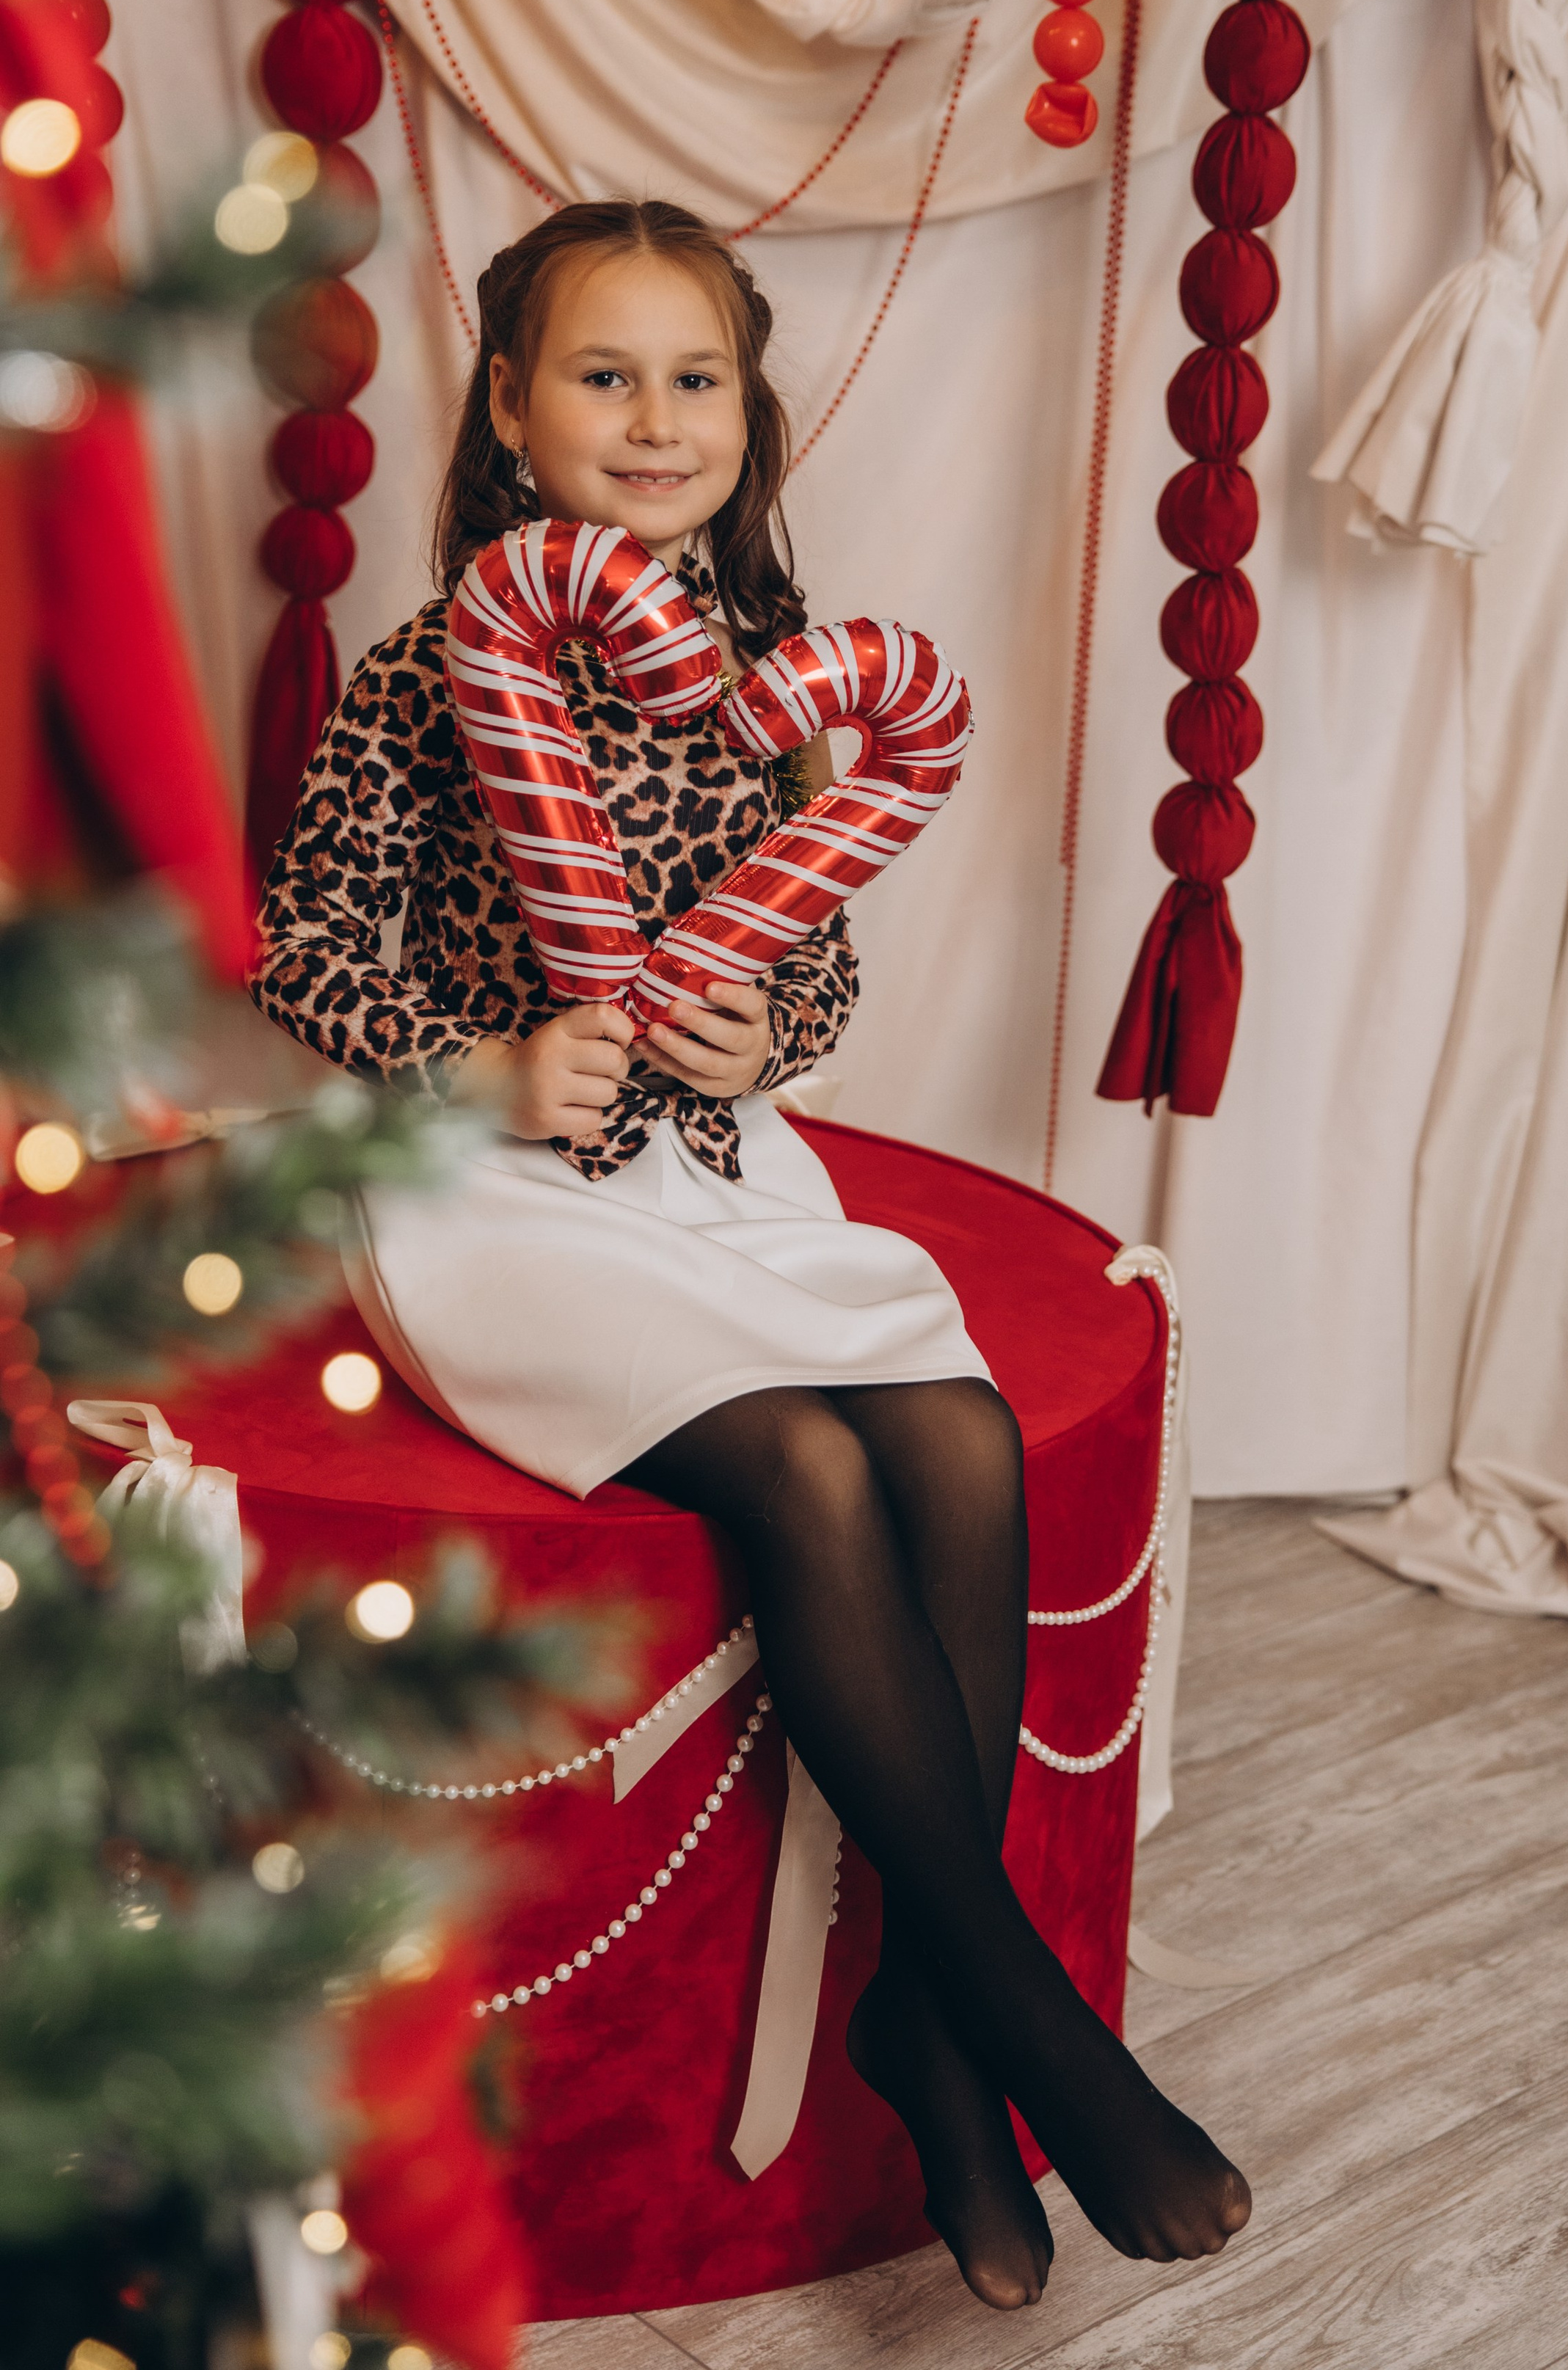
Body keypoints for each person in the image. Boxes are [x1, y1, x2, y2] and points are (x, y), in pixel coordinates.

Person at [249, 199, 1250, 2309]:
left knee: (957, 1431)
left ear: (749, 418)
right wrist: (480, 1068)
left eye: (693, 379)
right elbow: (308, 960)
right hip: (481, 1184)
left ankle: (929, 2043)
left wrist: (752, 1029)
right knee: (797, 1458)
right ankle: (1018, 2020)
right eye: (602, 376)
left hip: (714, 1172)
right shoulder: (432, 673)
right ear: (513, 414)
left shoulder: (783, 682)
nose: (653, 416)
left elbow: (817, 966)